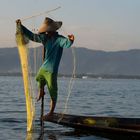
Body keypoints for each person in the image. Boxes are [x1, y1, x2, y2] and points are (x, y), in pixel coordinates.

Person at [16, 17, 74, 118]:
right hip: (44, 67)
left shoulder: (59, 39)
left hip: (51, 70)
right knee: (39, 77)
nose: (46, 33)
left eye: (47, 31)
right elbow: (32, 36)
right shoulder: (45, 38)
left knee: (52, 90)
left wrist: (70, 40)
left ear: (52, 30)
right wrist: (20, 26)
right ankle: (42, 91)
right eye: (45, 31)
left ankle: (51, 112)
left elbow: (67, 44)